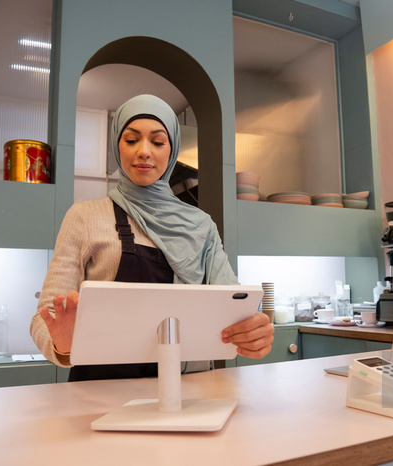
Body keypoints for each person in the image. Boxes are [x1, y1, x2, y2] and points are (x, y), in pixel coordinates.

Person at [30, 94, 274, 381]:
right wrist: (63, 344)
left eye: (157, 142)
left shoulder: (202, 225)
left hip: (186, 390)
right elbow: (44, 320)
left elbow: (233, 310)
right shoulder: (84, 217)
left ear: (171, 150)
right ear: (116, 147)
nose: (144, 151)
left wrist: (252, 331)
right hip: (100, 394)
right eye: (131, 140)